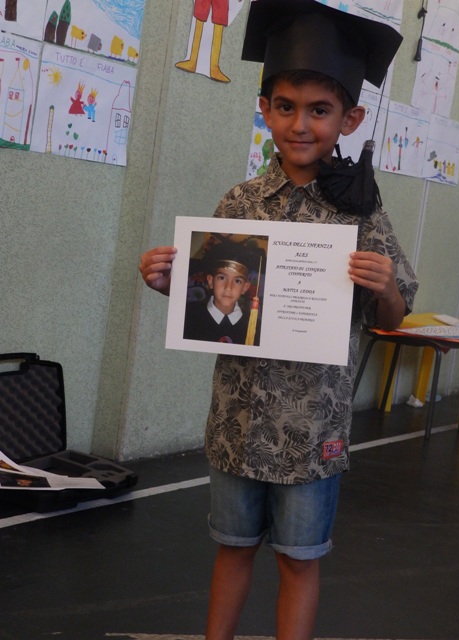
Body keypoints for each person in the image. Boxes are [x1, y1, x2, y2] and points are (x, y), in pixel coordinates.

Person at [139, 2, 419, 638]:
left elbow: (395, 314)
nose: (300, 124)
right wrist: (167, 282)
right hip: (237, 422)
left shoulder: (361, 214)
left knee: (299, 560)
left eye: (319, 110)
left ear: (349, 119)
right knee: (232, 549)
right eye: (285, 106)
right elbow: (207, 300)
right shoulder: (240, 203)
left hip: (312, 431)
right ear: (265, 110)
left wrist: (382, 287)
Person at [183, 235, 263, 345]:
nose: (228, 287)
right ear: (211, 281)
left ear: (245, 287)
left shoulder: (255, 327)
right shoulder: (187, 316)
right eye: (222, 278)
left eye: (237, 281)